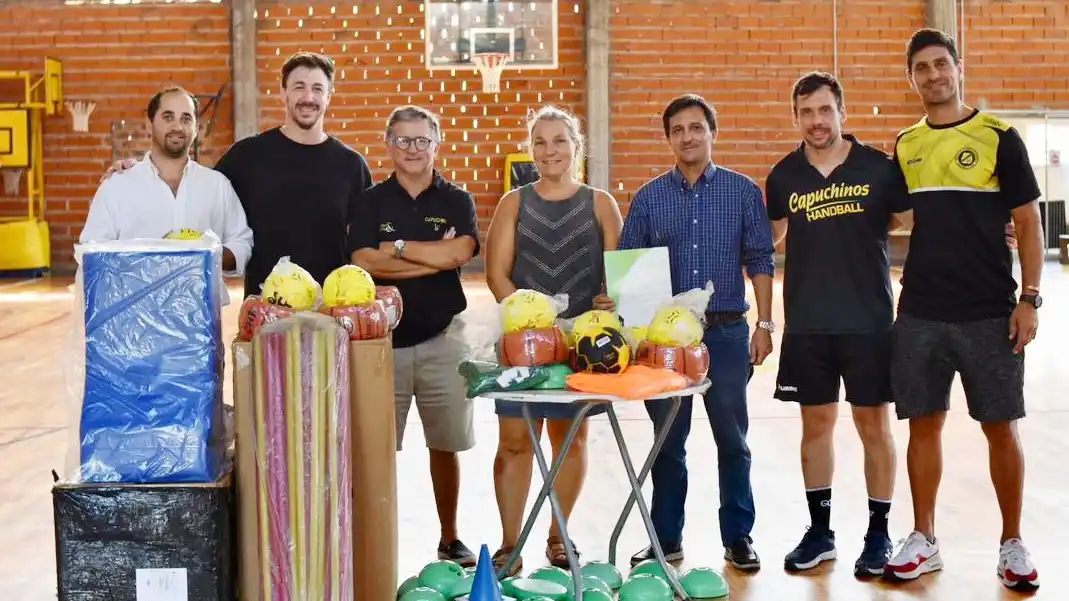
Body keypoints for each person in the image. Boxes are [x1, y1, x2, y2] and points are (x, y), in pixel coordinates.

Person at [882, 29, 1043, 592]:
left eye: (940, 64)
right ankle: (924, 538)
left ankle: (1012, 542)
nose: (932, 75)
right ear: (911, 79)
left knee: (1001, 427)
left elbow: (1027, 221)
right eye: (921, 68)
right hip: (921, 311)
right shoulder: (906, 144)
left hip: (990, 312)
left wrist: (1029, 298)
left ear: (957, 67)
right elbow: (899, 217)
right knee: (923, 425)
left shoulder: (1000, 136)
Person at [618, 94, 775, 572]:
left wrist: (765, 324)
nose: (687, 137)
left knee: (733, 440)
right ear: (668, 138)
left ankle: (738, 536)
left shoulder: (742, 191)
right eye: (677, 130)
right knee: (668, 441)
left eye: (696, 128)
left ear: (712, 133)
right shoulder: (648, 198)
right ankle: (666, 540)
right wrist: (625, 317)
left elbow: (761, 259)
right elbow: (630, 267)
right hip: (664, 343)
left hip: (725, 335)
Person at [765, 71, 910, 577]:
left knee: (874, 426)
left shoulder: (879, 169)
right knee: (816, 427)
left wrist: (985, 229)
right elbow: (768, 239)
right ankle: (821, 532)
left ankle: (879, 532)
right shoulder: (784, 177)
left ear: (842, 112)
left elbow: (916, 221)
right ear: (795, 117)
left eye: (824, 110)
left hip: (869, 321)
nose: (816, 121)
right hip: (808, 323)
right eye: (806, 112)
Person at [100, 52, 372, 296]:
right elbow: (193, 188)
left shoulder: (352, 166)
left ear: (329, 96)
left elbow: (365, 245)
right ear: (283, 93)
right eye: (299, 87)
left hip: (332, 309)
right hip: (263, 309)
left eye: (317, 89)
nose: (308, 98)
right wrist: (142, 169)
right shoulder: (247, 155)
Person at [483, 105, 624, 574]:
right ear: (531, 150)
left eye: (560, 140)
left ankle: (558, 535)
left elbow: (616, 277)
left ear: (576, 146)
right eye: (540, 142)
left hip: (583, 345)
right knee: (514, 443)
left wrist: (609, 300)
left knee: (571, 442)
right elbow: (497, 275)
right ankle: (510, 543)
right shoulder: (514, 203)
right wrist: (532, 325)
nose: (550, 150)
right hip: (523, 343)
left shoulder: (601, 204)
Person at [349, 105, 480, 567]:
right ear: (388, 144)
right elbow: (365, 261)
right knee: (378, 450)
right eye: (403, 140)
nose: (412, 148)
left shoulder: (457, 200)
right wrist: (432, 258)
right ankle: (375, 540)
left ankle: (450, 537)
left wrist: (400, 250)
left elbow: (460, 252)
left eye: (422, 140)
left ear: (436, 144)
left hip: (444, 337)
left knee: (445, 445)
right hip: (382, 344)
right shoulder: (369, 201)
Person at [80, 86, 253, 307]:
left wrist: (206, 256)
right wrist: (147, 264)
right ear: (149, 123)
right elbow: (92, 251)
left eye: (186, 119)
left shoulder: (217, 185)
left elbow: (241, 242)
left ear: (196, 128)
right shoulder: (118, 186)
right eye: (168, 117)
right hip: (134, 313)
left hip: (199, 311)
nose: (177, 126)